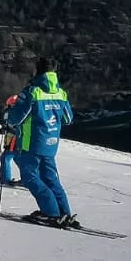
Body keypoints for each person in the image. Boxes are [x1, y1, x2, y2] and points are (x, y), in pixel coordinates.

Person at [5, 62, 78, 226]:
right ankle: (64, 212)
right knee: (50, 178)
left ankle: (50, 212)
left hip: (31, 144)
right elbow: (68, 119)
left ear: (38, 71)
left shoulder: (32, 92)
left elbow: (15, 119)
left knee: (30, 177)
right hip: (51, 144)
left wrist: (10, 112)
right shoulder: (61, 93)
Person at [0, 94, 21, 186]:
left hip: (14, 140)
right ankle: (28, 178)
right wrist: (2, 130)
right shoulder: (18, 112)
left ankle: (5, 179)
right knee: (18, 159)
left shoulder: (17, 114)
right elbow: (8, 125)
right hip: (13, 140)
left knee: (6, 157)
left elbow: (16, 128)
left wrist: (7, 129)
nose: (9, 107)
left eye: (10, 105)